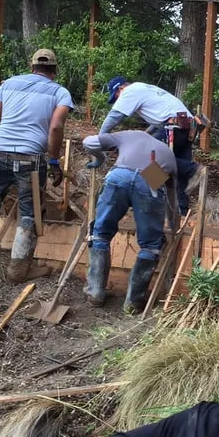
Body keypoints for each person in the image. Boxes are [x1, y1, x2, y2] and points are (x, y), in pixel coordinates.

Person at [0, 49, 74, 282]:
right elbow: (55, 127)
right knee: (30, 209)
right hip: (31, 159)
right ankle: (17, 271)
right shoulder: (59, 92)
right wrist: (54, 161)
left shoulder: (9, 84)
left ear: (31, 66)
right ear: (54, 69)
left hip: (1, 152)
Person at [81, 130, 178, 313]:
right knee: (150, 245)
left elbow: (89, 142)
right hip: (151, 177)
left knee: (100, 234)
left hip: (120, 173)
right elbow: (171, 198)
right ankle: (133, 303)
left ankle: (95, 293)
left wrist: (100, 159)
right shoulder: (168, 153)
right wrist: (171, 225)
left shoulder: (131, 135)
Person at [102, 77, 202, 215]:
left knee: (149, 161)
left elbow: (115, 116)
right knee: (177, 173)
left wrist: (101, 137)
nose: (117, 101)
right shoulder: (145, 88)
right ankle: (180, 212)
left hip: (174, 126)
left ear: (120, 88)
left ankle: (193, 171)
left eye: (116, 97)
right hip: (188, 127)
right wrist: (146, 134)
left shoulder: (130, 91)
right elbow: (158, 120)